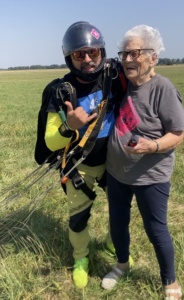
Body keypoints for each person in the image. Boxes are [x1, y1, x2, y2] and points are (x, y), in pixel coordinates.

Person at [42, 21, 132, 289]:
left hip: (114, 162)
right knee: (79, 217)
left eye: (93, 52)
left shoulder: (115, 78)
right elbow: (50, 141)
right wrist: (69, 125)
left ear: (102, 52)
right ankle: (81, 258)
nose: (88, 60)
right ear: (69, 57)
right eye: (79, 54)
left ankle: (111, 242)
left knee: (121, 211)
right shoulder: (61, 91)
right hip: (79, 167)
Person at [101, 25, 184, 300]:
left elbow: (178, 133)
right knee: (117, 222)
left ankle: (169, 280)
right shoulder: (122, 85)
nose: (126, 60)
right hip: (116, 172)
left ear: (153, 57)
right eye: (123, 54)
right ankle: (122, 265)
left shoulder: (163, 89)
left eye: (134, 53)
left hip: (151, 176)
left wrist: (154, 145)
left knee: (156, 228)